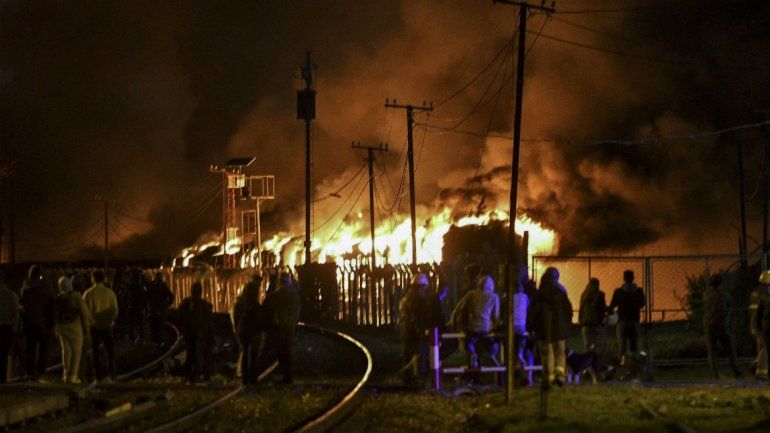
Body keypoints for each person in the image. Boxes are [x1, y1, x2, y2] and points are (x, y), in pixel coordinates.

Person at [532, 267, 572, 386]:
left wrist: (533, 326)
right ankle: (560, 376)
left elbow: (534, 312)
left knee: (547, 353)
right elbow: (568, 310)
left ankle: (549, 377)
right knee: (560, 352)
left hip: (545, 331)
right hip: (560, 330)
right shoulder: (561, 292)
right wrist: (567, 325)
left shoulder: (539, 294)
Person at [398, 273, 441, 381]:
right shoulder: (417, 300)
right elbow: (416, 318)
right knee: (420, 353)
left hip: (405, 332)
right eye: (425, 288)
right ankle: (419, 377)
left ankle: (407, 376)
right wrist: (422, 331)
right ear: (422, 287)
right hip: (414, 333)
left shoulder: (405, 298)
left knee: (408, 353)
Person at [452, 275, 500, 369]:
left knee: (468, 343)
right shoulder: (494, 297)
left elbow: (457, 309)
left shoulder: (471, 294)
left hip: (472, 328)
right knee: (493, 343)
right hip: (486, 329)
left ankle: (472, 354)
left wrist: (454, 323)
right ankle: (492, 356)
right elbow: (496, 316)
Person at [20, 265, 56, 381]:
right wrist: (51, 323)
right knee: (43, 348)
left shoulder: (25, 289)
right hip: (43, 323)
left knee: (30, 348)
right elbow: (51, 307)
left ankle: (30, 370)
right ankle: (40, 370)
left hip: (30, 323)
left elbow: (23, 306)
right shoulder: (46, 289)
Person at [264, 272, 300, 384]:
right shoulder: (295, 295)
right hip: (290, 326)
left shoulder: (277, 295)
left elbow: (267, 302)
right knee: (287, 352)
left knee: (281, 352)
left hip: (280, 327)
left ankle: (285, 377)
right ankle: (288, 376)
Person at [83, 270, 119, 383]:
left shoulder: (88, 293)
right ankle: (111, 374)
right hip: (107, 325)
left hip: (94, 327)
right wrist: (109, 320)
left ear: (93, 278)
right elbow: (115, 310)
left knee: (95, 351)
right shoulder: (110, 292)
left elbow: (85, 312)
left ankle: (97, 375)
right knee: (110, 351)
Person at [55, 276, 92, 384]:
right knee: (76, 352)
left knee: (66, 351)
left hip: (62, 327)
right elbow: (84, 313)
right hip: (75, 327)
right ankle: (73, 376)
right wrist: (87, 328)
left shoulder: (59, 297)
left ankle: (66, 375)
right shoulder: (76, 296)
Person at [702, 274, 740, 379]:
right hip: (722, 326)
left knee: (712, 353)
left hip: (709, 326)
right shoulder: (724, 295)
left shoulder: (706, 295)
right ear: (720, 284)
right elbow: (729, 305)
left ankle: (715, 374)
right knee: (730, 350)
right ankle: (736, 372)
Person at [179, 282, 213, 384]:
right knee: (199, 355)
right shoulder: (203, 304)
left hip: (190, 333)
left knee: (190, 355)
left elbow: (181, 316)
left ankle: (189, 376)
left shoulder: (186, 302)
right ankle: (197, 375)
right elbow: (209, 318)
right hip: (199, 333)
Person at [232, 275, 263, 384]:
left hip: (242, 331)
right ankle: (253, 378)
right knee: (254, 354)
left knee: (245, 353)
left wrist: (236, 330)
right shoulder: (256, 305)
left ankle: (245, 378)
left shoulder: (240, 303)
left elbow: (236, 318)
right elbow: (260, 319)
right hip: (253, 332)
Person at [609, 270, 646, 359]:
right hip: (634, 320)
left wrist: (612, 315)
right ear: (633, 278)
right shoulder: (638, 291)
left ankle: (622, 365)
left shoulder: (618, 291)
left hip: (622, 321)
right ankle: (636, 366)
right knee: (635, 347)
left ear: (624, 279)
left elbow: (612, 305)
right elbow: (642, 304)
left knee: (622, 347)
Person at [0, 271, 20, 383]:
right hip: (6, 327)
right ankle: (2, 378)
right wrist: (15, 327)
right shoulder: (10, 294)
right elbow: (15, 312)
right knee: (3, 354)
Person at [750, 271, 770, 380]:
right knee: (765, 347)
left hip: (757, 324)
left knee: (762, 347)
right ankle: (759, 370)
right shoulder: (764, 293)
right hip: (760, 325)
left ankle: (757, 367)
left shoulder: (756, 292)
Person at [578, 278, 607, 352]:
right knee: (599, 347)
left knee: (588, 348)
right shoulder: (600, 295)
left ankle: (589, 362)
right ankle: (597, 361)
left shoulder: (584, 295)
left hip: (586, 324)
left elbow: (581, 309)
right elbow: (602, 308)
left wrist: (580, 321)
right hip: (597, 324)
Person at [147, 273, 174, 345]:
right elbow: (171, 296)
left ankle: (155, 340)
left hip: (154, 308)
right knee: (160, 325)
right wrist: (167, 305)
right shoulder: (163, 286)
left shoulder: (152, 286)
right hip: (161, 308)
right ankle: (160, 340)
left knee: (155, 325)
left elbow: (147, 296)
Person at [126, 268, 147, 344]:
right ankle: (141, 339)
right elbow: (145, 297)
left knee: (132, 324)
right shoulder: (141, 286)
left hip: (132, 307)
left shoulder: (130, 286)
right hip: (139, 308)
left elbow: (127, 297)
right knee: (140, 325)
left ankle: (134, 338)